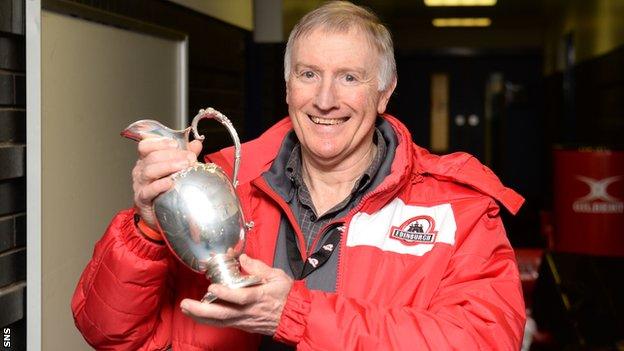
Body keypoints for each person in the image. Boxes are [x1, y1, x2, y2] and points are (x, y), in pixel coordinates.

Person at [72, 1, 526, 350]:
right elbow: (107, 333)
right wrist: (147, 229)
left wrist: (296, 314)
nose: (325, 99)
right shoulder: (221, 185)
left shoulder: (455, 207)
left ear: (384, 93)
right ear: (287, 86)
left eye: (349, 77)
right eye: (309, 74)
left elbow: (484, 340)